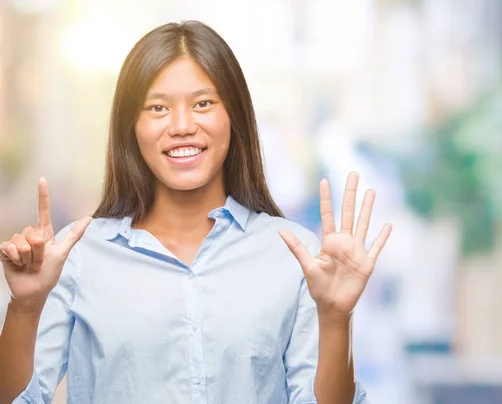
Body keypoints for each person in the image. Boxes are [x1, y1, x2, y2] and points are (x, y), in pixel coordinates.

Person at [0, 21, 392, 404]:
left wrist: (337, 318)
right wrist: (25, 307)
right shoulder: (78, 259)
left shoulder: (296, 256)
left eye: (203, 103)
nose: (182, 125)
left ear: (234, 116)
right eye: (157, 107)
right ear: (130, 127)